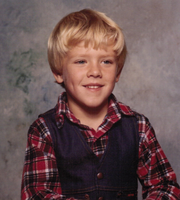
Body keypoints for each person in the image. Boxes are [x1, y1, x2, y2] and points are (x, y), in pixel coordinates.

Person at [21, 9, 180, 200]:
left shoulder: (139, 127)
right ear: (58, 72)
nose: (95, 71)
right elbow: (37, 195)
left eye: (106, 61)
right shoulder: (44, 130)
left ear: (118, 72)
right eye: (81, 61)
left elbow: (166, 187)